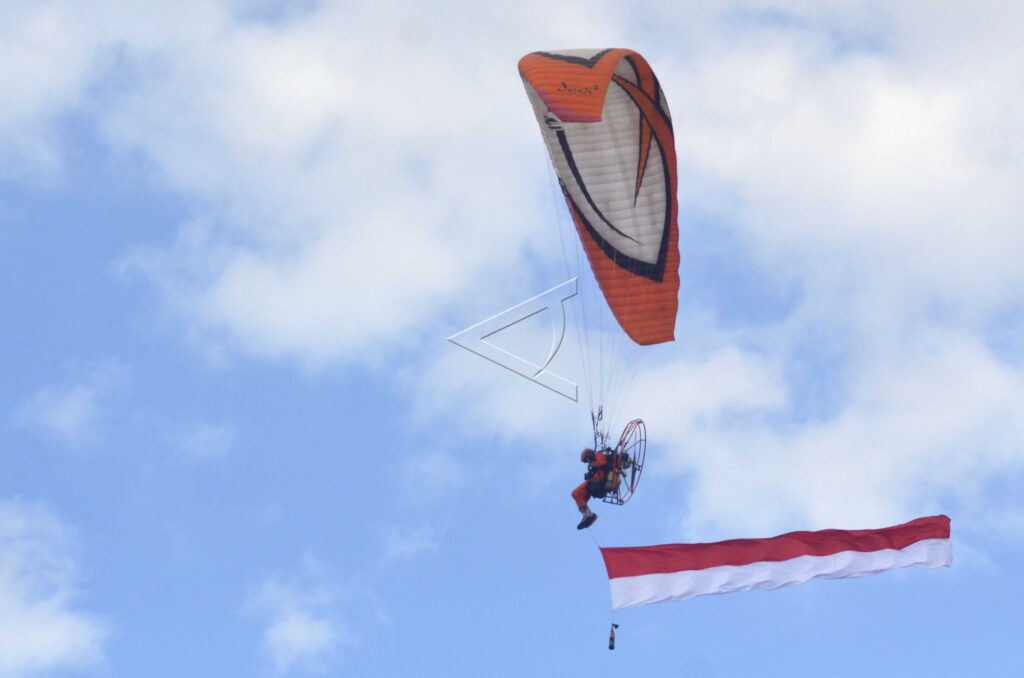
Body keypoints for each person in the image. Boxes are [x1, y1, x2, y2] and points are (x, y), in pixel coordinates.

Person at [572, 447, 630, 529]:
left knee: (576, 493)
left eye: (587, 459)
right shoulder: (593, 464)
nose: (588, 461)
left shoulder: (598, 455)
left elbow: (602, 462)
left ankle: (588, 514)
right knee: (579, 497)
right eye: (586, 461)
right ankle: (588, 514)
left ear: (590, 454)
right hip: (595, 485)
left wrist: (592, 465)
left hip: (596, 482)